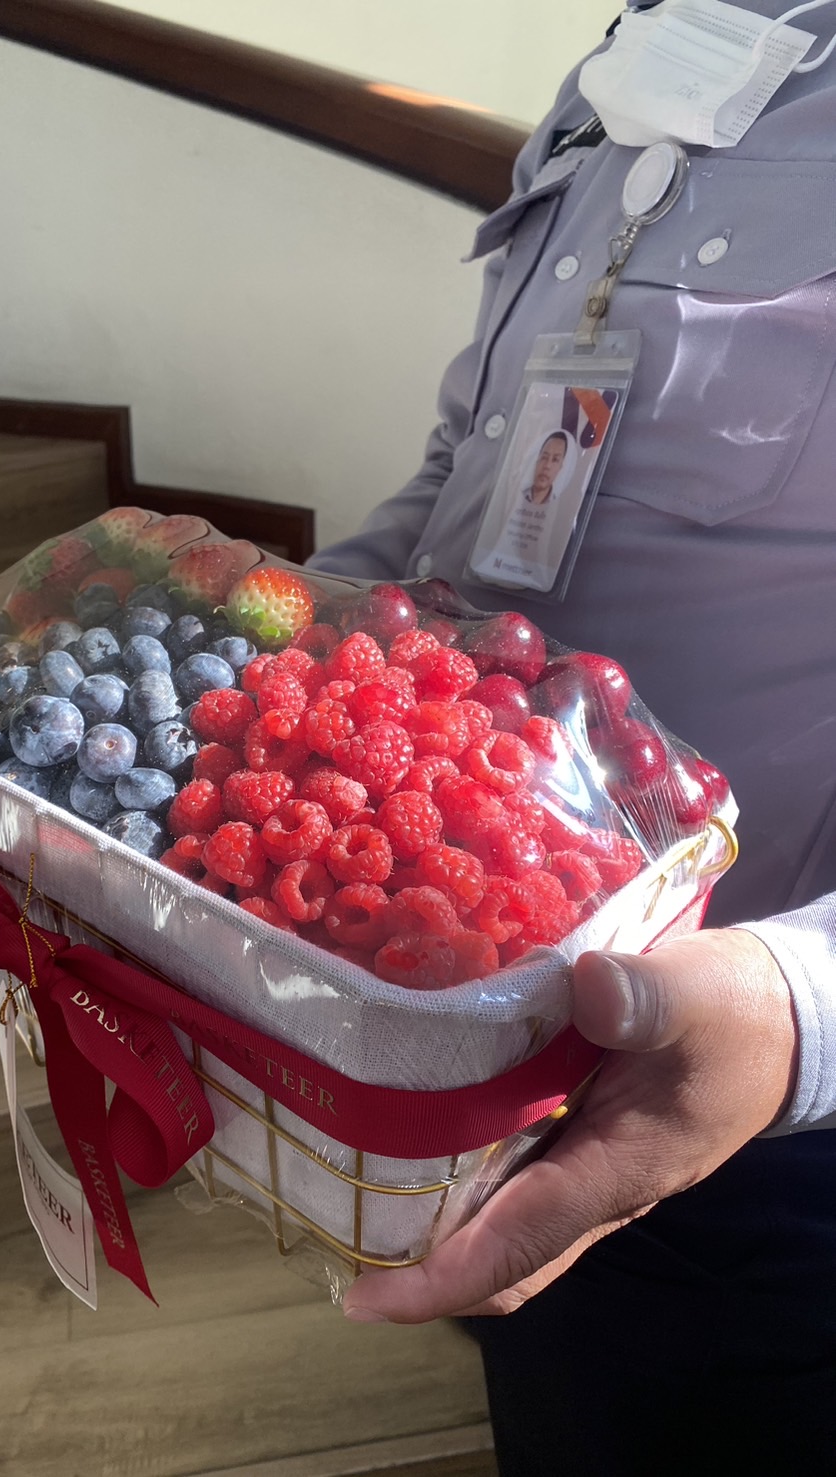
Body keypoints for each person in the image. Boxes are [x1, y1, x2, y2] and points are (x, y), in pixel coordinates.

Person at [307, 2, 836, 1470]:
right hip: (489, 1022)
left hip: (759, 1136)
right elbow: (470, 469)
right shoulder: (650, 48)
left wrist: (800, 1015)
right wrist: (285, 640)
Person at [523, 430, 570, 505]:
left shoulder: (558, 505)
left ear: (560, 467)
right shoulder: (518, 496)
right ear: (537, 459)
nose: (547, 466)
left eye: (555, 460)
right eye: (544, 457)